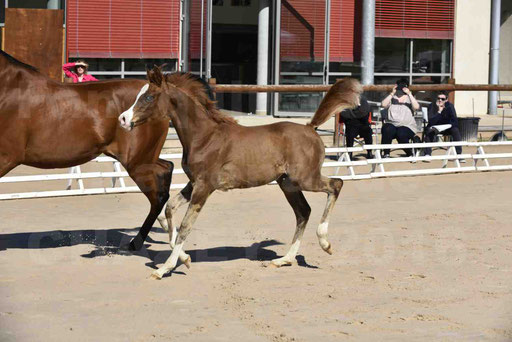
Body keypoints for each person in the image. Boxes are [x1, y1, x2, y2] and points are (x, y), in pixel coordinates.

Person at [380, 78, 420, 158]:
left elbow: (416, 107)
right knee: (387, 128)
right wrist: (392, 93)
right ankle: (386, 153)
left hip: (407, 126)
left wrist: (409, 94)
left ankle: (409, 152)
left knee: (401, 133)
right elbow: (383, 105)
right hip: (392, 124)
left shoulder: (409, 98)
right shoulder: (392, 97)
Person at [422, 91, 463, 160]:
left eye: (442, 99)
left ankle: (458, 154)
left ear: (446, 100)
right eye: (438, 98)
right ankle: (427, 153)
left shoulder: (449, 106)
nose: (440, 100)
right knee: (429, 131)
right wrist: (439, 112)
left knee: (455, 130)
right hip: (435, 128)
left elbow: (454, 120)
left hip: (446, 128)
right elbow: (431, 121)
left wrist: (449, 125)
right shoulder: (432, 106)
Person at [339, 94, 373, 159]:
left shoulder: (363, 101)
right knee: (350, 132)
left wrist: (357, 107)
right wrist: (356, 112)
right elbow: (344, 115)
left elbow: (365, 116)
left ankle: (369, 152)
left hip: (362, 124)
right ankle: (349, 153)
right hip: (351, 125)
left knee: (368, 130)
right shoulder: (345, 101)